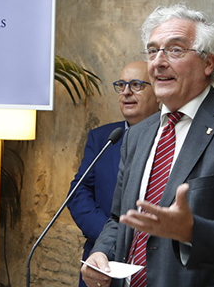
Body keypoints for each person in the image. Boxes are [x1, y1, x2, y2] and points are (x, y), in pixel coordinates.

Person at [80, 4, 214, 287]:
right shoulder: (138, 134)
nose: (158, 62)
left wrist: (192, 231)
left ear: (208, 63)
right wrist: (101, 252)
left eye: (175, 50)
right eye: (153, 51)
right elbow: (119, 219)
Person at [67, 61, 160, 287]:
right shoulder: (104, 138)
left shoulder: (169, 140)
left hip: (152, 264)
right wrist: (113, 237)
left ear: (158, 95)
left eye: (136, 85)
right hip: (102, 261)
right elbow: (78, 194)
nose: (126, 92)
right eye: (121, 85)